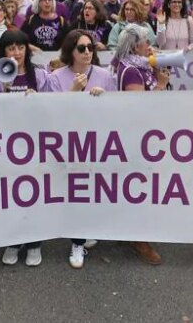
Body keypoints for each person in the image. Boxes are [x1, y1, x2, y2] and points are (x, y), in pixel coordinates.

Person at [47, 30, 116, 268]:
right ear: (71, 51)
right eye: (81, 48)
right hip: (69, 143)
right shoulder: (56, 77)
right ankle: (77, 241)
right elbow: (52, 113)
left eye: (90, 47)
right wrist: (76, 91)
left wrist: (103, 99)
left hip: (97, 142)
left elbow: (118, 109)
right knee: (75, 191)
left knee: (94, 189)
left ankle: (86, 228)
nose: (87, 52)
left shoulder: (105, 75)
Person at [0, 30, 49, 266]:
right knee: (10, 194)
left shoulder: (40, 76)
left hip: (35, 145)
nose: (16, 53)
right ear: (4, 52)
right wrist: (5, 86)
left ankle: (34, 242)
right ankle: (13, 240)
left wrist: (38, 99)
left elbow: (54, 107)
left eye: (20, 48)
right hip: (7, 145)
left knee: (34, 194)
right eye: (11, 48)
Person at [111, 24, 170, 265]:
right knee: (139, 185)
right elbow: (139, 106)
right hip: (136, 136)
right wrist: (160, 85)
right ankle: (138, 238)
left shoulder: (139, 65)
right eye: (147, 42)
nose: (150, 46)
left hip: (145, 133)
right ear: (136, 46)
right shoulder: (131, 70)